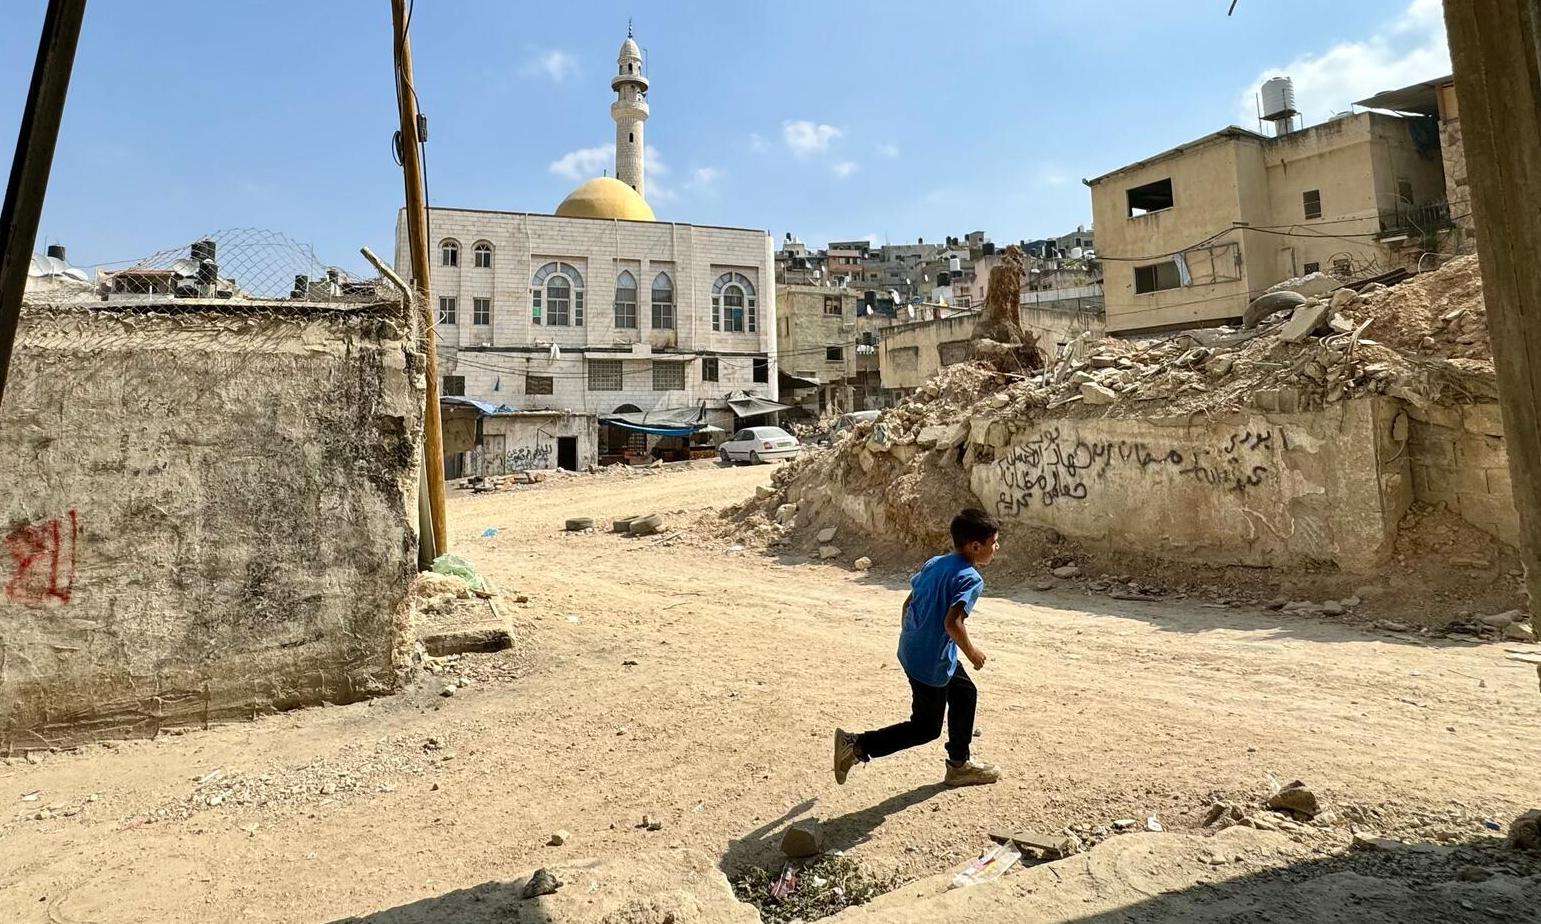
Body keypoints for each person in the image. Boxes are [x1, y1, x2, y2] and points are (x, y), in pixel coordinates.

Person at [834, 508, 1002, 787]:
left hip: (916, 650)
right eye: (993, 543)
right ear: (975, 546)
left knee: (964, 693)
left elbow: (909, 602)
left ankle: (959, 764)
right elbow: (953, 624)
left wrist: (914, 635)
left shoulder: (935, 563)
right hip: (930, 662)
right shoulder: (970, 578)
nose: (996, 548)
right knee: (925, 728)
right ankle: (856, 745)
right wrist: (973, 654)